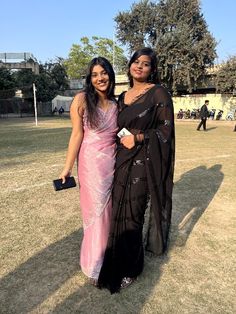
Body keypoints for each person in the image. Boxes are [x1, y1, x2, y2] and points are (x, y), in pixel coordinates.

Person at [98, 47, 175, 293]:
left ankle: (132, 268)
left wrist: (139, 137)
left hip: (143, 163)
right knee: (118, 213)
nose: (140, 66)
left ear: (153, 70)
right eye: (136, 62)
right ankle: (116, 261)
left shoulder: (158, 93)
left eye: (146, 64)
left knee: (133, 214)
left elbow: (165, 132)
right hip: (121, 162)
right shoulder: (122, 97)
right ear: (130, 65)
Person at [59, 57, 117, 286]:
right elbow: (76, 135)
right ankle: (94, 265)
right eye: (94, 75)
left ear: (110, 75)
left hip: (113, 162)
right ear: (89, 79)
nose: (100, 78)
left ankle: (109, 256)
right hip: (91, 164)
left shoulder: (116, 103)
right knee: (95, 214)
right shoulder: (81, 100)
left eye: (103, 73)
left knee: (110, 213)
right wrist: (67, 167)